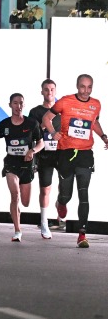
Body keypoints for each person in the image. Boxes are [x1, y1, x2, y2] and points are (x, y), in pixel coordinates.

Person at [39, 74, 106, 248]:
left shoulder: (96, 104)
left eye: (89, 87)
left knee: (84, 193)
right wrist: (54, 132)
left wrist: (104, 137)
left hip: (85, 153)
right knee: (66, 195)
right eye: (83, 87)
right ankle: (60, 202)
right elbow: (46, 118)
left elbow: (94, 124)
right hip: (66, 153)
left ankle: (82, 234)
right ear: (77, 86)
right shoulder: (65, 101)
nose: (86, 90)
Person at [0, 93, 43, 242]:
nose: (18, 106)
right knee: (14, 195)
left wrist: (32, 151)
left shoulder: (32, 123)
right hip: (11, 164)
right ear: (10, 105)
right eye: (15, 103)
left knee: (25, 202)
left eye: (21, 103)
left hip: (27, 165)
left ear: (24, 105)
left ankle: (18, 217)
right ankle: (17, 230)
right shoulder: (4, 125)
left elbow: (41, 143)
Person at [26, 79, 59, 238]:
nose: (49, 92)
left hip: (61, 154)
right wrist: (45, 124)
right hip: (44, 154)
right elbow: (31, 134)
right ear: (42, 92)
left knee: (66, 186)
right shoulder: (35, 112)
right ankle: (44, 223)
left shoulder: (63, 110)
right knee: (45, 189)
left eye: (52, 89)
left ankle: (61, 205)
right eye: (46, 89)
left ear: (55, 91)